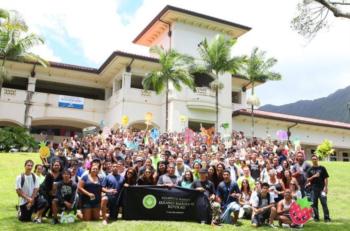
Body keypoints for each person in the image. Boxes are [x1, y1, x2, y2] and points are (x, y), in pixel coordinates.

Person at [307, 154, 331, 222]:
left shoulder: (322, 168)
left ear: (318, 159)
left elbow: (326, 178)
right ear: (311, 160)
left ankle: (327, 218)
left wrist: (326, 187)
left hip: (322, 189)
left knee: (324, 203)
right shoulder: (310, 169)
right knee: (314, 204)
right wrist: (313, 176)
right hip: (313, 189)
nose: (314, 160)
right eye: (313, 159)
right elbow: (307, 179)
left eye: (315, 159)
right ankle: (316, 218)